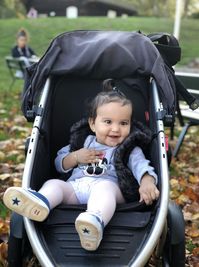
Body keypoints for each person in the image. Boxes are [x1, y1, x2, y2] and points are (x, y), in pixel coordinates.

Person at [3, 79, 160, 251]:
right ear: (93, 124)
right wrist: (75, 157)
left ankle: (94, 220)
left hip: (111, 190)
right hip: (76, 189)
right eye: (108, 122)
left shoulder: (128, 148)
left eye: (123, 123)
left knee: (104, 188)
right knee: (55, 184)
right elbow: (59, 163)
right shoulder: (82, 142)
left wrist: (147, 182)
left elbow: (141, 165)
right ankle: (41, 203)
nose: (116, 129)